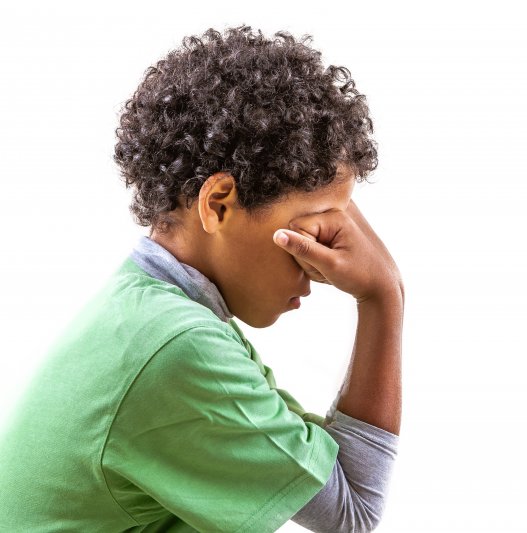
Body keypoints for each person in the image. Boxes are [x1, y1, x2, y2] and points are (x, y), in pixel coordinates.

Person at [0, 25, 404, 533]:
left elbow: (330, 474)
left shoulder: (151, 310)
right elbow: (353, 514)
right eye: (316, 228)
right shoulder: (178, 345)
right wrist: (383, 293)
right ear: (217, 205)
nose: (323, 263)